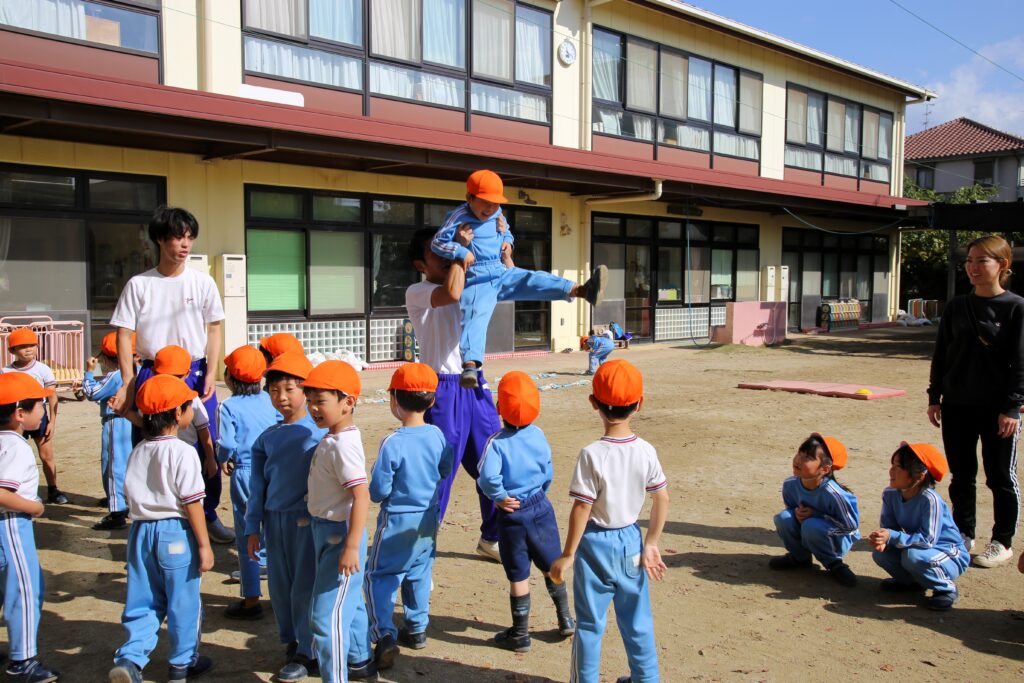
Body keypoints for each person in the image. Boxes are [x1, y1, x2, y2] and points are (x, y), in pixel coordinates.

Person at [108, 205, 226, 538]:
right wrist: (129, 382)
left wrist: (210, 373)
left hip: (194, 371)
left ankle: (207, 513)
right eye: (177, 237)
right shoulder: (139, 284)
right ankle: (155, 515)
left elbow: (214, 328)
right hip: (152, 373)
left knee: (206, 440)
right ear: (160, 239)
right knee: (151, 442)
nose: (185, 244)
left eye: (190, 237)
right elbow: (124, 334)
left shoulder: (203, 282)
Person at [430, 169, 607, 389]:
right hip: (477, 278)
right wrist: (460, 250)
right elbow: (437, 243)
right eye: (485, 203)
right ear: (469, 198)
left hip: (500, 270)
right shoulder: (458, 216)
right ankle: (470, 366)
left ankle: (582, 290)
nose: (490, 208)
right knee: (476, 316)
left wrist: (508, 242)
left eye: (495, 203)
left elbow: (507, 232)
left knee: (533, 279)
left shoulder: (497, 213)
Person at [550, 360, 669, 683]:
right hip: (631, 541)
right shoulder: (646, 451)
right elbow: (661, 498)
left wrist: (568, 553)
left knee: (589, 624)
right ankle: (646, 679)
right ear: (639, 404)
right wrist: (651, 543)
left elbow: (582, 507)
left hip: (594, 545)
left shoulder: (592, 454)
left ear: (594, 403)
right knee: (637, 620)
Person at [108, 375, 214, 683]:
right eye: (189, 406)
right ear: (178, 413)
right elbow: (192, 503)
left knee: (142, 598)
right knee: (183, 600)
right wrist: (204, 545)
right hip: (175, 532)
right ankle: (182, 663)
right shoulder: (183, 451)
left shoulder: (139, 450)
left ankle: (130, 658)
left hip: (140, 532)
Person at [927, 234, 1024, 568]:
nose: (973, 267)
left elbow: (1021, 361)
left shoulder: (1016, 307)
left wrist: (1012, 406)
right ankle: (963, 533)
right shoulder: (957, 306)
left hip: (998, 409)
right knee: (962, 474)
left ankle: (1002, 541)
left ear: (1002, 264)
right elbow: (942, 354)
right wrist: (935, 396)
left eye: (982, 260)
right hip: (957, 404)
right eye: (969, 261)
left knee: (1000, 476)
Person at [406, 227, 502, 562]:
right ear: (421, 264)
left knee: (494, 463)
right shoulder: (418, 291)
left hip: (474, 382)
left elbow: (497, 281)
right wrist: (461, 249)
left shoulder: (467, 278)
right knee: (439, 474)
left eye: (446, 247)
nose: (446, 254)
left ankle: (492, 537)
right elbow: (451, 292)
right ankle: (420, 553)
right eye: (437, 251)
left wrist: (501, 245)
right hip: (442, 388)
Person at [477, 371, 575, 653]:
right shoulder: (539, 435)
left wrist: (499, 497)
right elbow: (547, 469)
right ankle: (565, 618)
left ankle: (520, 634)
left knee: (518, 574)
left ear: (499, 408)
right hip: (540, 507)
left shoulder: (496, 443)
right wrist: (540, 491)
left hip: (513, 514)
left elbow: (487, 478)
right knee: (551, 565)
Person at [244, 352, 326, 683]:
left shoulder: (320, 435)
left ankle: (308, 650)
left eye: (290, 389)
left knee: (305, 587)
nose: (282, 397)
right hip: (273, 523)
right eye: (275, 390)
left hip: (308, 522)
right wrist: (252, 527)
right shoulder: (267, 438)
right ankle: (292, 641)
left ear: (307, 391)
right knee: (279, 588)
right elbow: (257, 487)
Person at [365, 363, 452, 671]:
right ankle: (416, 628)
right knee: (419, 571)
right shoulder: (438, 435)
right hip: (427, 518)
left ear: (394, 401)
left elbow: (378, 490)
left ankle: (384, 634)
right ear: (432, 401)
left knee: (380, 575)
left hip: (396, 519)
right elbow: (445, 469)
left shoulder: (393, 442)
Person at [302, 361, 375, 683]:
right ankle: (360, 662)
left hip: (340, 537)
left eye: (321, 401)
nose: (313, 408)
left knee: (325, 617)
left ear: (348, 402)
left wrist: (351, 546)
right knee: (350, 602)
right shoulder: (334, 437)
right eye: (310, 400)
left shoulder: (343, 445)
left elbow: (361, 496)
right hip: (326, 531)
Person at [0, 373, 61, 683]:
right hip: (11, 525)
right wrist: (35, 507)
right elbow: (2, 494)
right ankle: (22, 661)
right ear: (19, 413)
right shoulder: (16, 447)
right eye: (39, 404)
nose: (43, 410)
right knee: (25, 590)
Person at [216, 345, 279, 620]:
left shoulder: (228, 406)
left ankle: (251, 600)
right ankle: (280, 594)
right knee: (275, 532)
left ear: (229, 378)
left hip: (245, 471)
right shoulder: (270, 399)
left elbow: (227, 443)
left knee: (247, 535)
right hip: (273, 468)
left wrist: (222, 459)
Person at [869, 442, 970, 611]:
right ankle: (913, 583)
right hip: (921, 549)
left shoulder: (930, 499)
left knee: (912, 556)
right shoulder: (890, 494)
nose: (891, 471)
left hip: (949, 553)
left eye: (898, 467)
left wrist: (892, 536)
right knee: (881, 554)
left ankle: (946, 588)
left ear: (919, 476)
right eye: (892, 465)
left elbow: (928, 540)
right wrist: (882, 540)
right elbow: (889, 527)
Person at [768, 433, 860, 587]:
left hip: (838, 538)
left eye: (808, 458)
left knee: (811, 525)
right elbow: (790, 509)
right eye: (800, 453)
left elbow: (850, 526)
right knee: (783, 518)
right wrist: (797, 513)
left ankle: (834, 563)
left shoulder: (835, 494)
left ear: (824, 469)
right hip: (810, 530)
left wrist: (817, 516)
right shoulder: (790, 484)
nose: (798, 460)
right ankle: (800, 558)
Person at [2, 327, 66, 505]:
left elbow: (52, 396)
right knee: (13, 453)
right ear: (12, 350)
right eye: (22, 346)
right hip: (14, 416)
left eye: (32, 345)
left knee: (47, 455)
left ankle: (53, 489)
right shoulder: (5, 371)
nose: (28, 349)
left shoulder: (43, 369)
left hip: (39, 415)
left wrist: (52, 422)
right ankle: (18, 490)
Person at [82, 331, 136, 530]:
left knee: (114, 466)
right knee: (131, 465)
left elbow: (92, 393)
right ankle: (127, 502)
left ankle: (117, 512)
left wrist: (89, 373)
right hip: (135, 421)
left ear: (106, 359)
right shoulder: (139, 370)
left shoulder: (116, 375)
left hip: (116, 421)